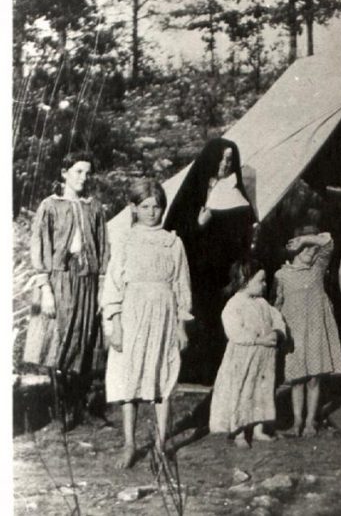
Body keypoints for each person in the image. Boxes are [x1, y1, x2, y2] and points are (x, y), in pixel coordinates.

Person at [100, 179, 192, 469]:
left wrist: (181, 325)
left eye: (157, 206)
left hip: (164, 314)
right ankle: (129, 444)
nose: (152, 212)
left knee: (163, 376)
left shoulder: (173, 242)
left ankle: (161, 444)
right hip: (132, 313)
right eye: (145, 206)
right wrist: (115, 324)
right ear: (134, 208)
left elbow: (181, 285)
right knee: (130, 376)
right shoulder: (125, 241)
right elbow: (113, 285)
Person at [22, 153, 110, 430]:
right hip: (59, 281)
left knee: (84, 340)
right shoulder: (50, 206)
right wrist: (46, 290)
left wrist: (102, 288)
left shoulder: (94, 208)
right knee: (59, 342)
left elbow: (103, 247)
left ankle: (81, 408)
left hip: (87, 279)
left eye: (87, 173)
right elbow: (40, 247)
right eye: (78, 171)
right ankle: (61, 411)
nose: (83, 177)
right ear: (65, 173)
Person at [164, 138, 257, 383]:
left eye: (230, 159)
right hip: (194, 271)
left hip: (223, 274)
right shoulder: (194, 189)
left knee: (220, 323)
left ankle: (217, 374)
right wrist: (198, 226)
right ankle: (191, 373)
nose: (225, 164)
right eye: (222, 158)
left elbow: (244, 229)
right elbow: (173, 231)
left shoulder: (235, 191)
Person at [274, 226, 341, 437]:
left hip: (315, 331)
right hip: (295, 334)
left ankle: (310, 422)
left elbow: (328, 243)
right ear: (293, 249)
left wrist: (308, 239)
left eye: (312, 249)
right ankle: (297, 420)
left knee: (314, 378)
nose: (310, 252)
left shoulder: (318, 269)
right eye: (304, 248)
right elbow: (277, 304)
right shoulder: (282, 275)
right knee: (297, 378)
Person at [209, 260, 285, 448]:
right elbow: (234, 332)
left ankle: (259, 429)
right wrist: (259, 340)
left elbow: (278, 319)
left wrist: (277, 332)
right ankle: (239, 432)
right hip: (243, 359)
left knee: (262, 392)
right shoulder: (234, 305)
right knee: (243, 393)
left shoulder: (263, 304)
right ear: (245, 280)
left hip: (263, 359)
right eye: (261, 281)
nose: (265, 285)